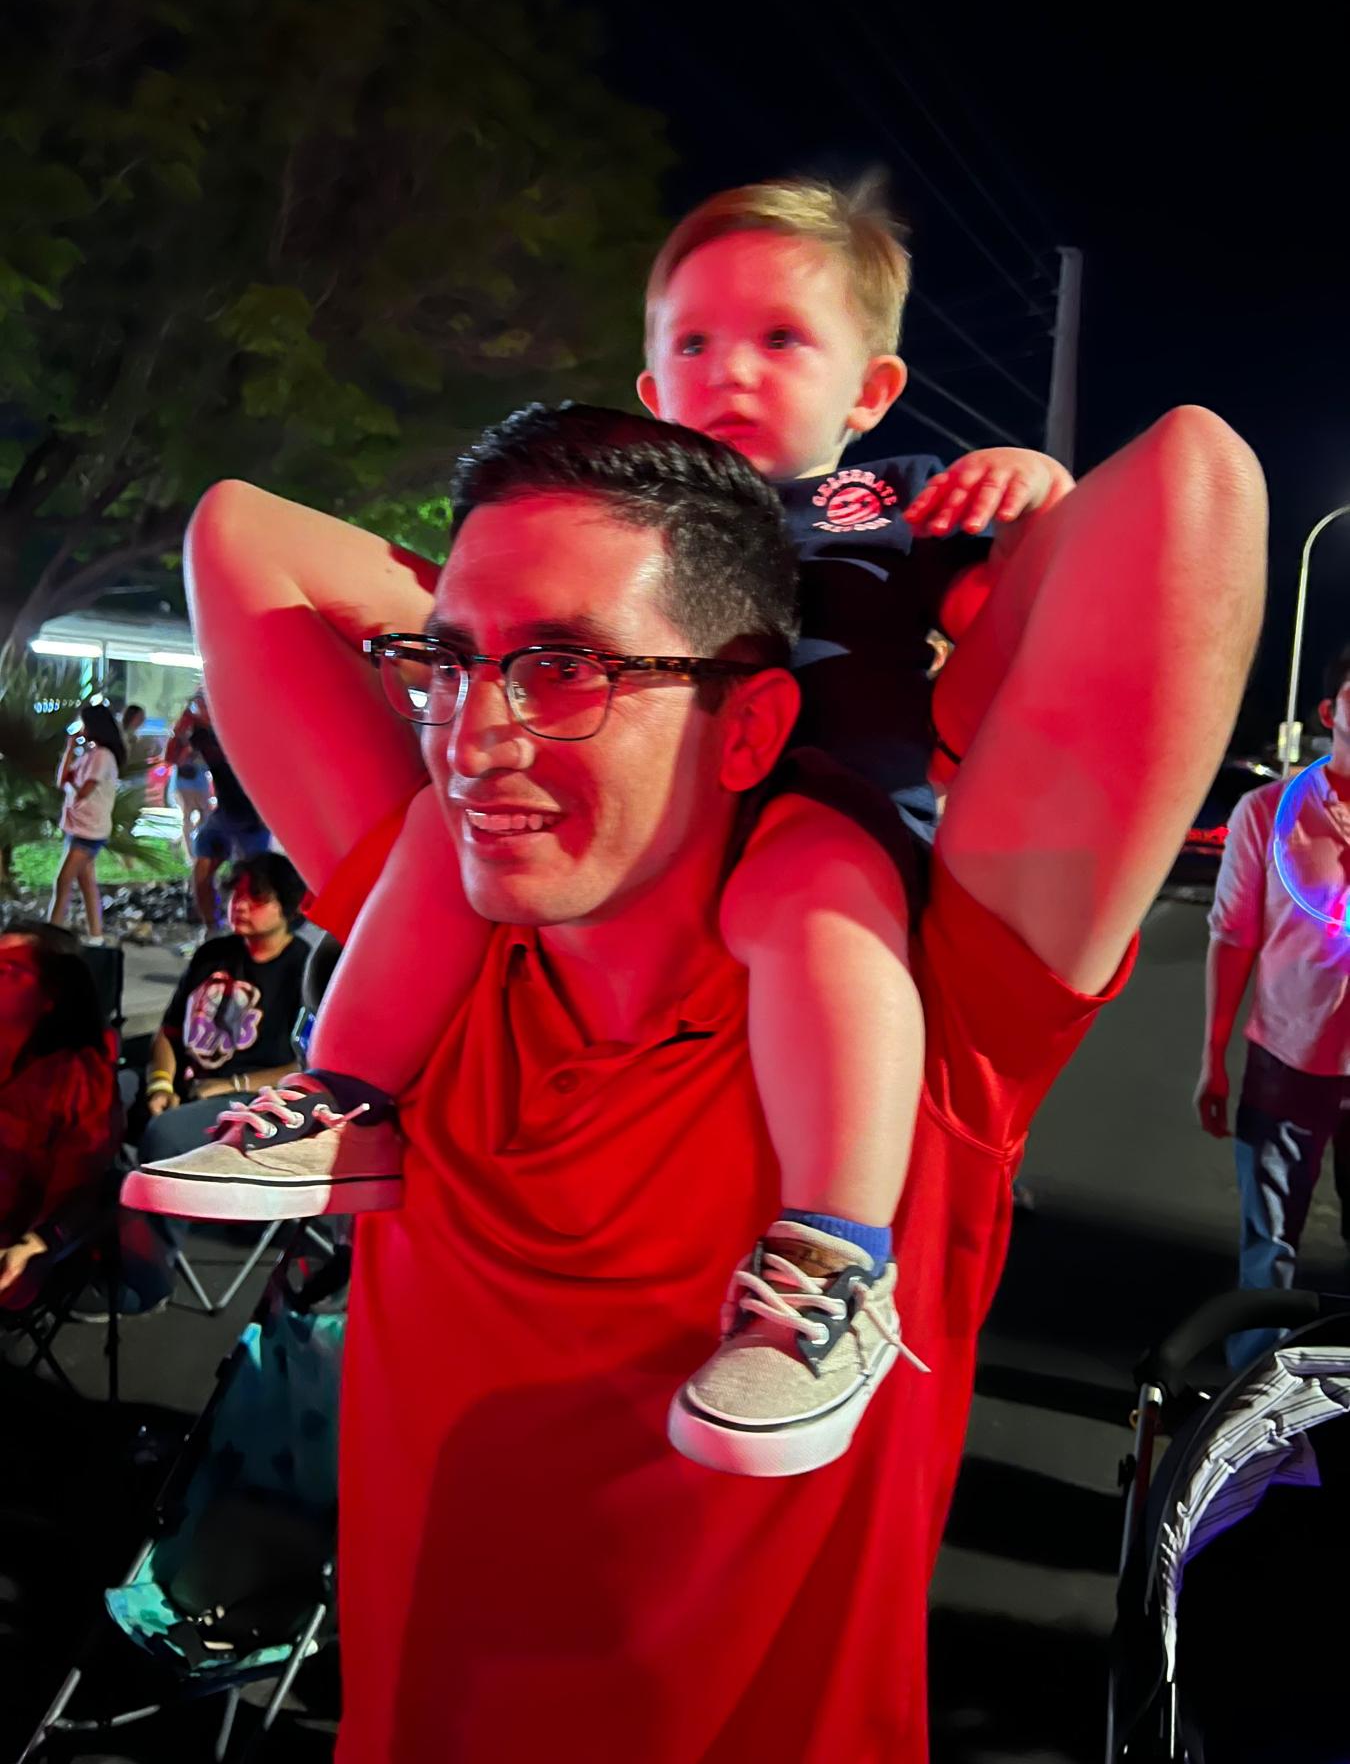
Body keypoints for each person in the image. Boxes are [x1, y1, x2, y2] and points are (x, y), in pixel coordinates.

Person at [136, 397, 1259, 1759]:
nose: (471, 738)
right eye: (448, 666)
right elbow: (237, 536)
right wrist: (518, 600)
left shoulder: (910, 1023)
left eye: (566, 667)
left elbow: (1190, 484)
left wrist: (967, 587)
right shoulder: (431, 973)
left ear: (748, 729)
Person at [125, 179, 1075, 1473]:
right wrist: (484, 626)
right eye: (691, 343)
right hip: (610, 812)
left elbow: (1028, 628)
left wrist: (1032, 499)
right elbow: (252, 539)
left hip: (816, 798)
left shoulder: (888, 503)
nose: (727, 369)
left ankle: (835, 1254)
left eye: (779, 339)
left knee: (819, 910)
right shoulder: (607, 528)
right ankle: (345, 1098)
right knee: (438, 839)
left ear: (868, 390)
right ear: (647, 381)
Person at [1196, 644, 1350, 1368]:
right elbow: (1232, 938)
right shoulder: (1270, 811)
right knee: (1271, 1249)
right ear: (1331, 712)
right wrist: (1213, 1059)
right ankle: (1252, 1390)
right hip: (1285, 1064)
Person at [136, 853, 310, 1165]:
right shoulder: (212, 954)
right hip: (187, 1083)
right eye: (235, 894)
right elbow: (169, 1031)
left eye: (256, 897)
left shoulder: (303, 969)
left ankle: (158, 1211)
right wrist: (160, 1084)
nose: (239, 905)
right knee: (100, 1097)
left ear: (288, 906)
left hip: (252, 1099)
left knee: (165, 1135)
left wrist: (229, 1086)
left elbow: (305, 1065)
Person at [0, 921, 120, 1307]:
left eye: (8, 970)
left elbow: (84, 1192)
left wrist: (37, 1243)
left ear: (51, 995)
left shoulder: (75, 1076)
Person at [165, 691, 271, 930]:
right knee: (202, 869)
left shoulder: (240, 728)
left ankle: (252, 928)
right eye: (196, 704)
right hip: (225, 812)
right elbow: (173, 759)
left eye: (202, 704)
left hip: (253, 815)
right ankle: (212, 926)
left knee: (252, 878)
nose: (198, 709)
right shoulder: (202, 735)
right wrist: (180, 729)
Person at [47, 700, 124, 941]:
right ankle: (96, 936)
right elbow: (62, 781)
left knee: (63, 882)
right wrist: (70, 748)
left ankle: (51, 937)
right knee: (86, 884)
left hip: (88, 830)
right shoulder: (92, 754)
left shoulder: (102, 756)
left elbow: (83, 791)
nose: (82, 728)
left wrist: (71, 784)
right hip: (80, 827)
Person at [167, 733, 214, 861]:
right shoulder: (198, 731)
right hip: (192, 779)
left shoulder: (182, 732)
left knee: (197, 816)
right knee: (201, 815)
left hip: (186, 779)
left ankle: (190, 852)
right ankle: (192, 854)